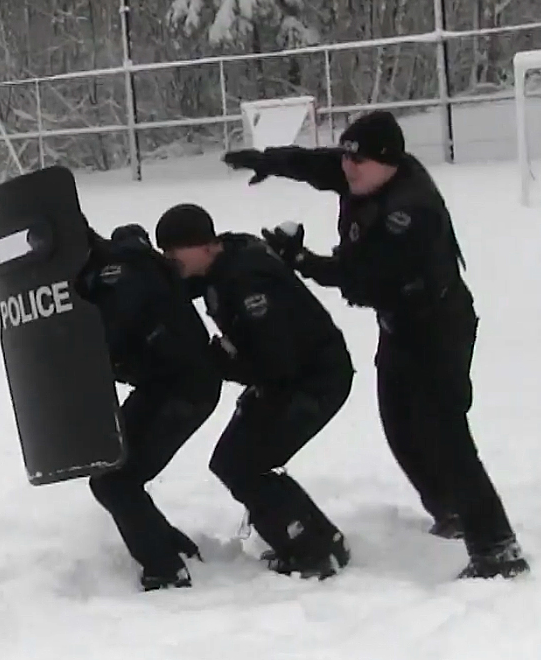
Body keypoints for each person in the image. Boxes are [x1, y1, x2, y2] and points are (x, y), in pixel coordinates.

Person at [223, 110, 529, 580]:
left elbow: (361, 281)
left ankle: (496, 548)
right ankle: (449, 509)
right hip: (400, 327)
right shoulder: (367, 175)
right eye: (348, 158)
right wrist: (270, 160)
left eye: (358, 162)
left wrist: (301, 260)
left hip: (436, 327)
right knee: (400, 425)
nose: (348, 169)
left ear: (388, 162)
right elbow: (320, 165)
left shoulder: (410, 213)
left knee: (446, 436)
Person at [156, 204, 354, 580]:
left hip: (314, 379)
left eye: (173, 252)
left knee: (243, 464)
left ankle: (312, 551)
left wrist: (217, 360)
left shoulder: (248, 281)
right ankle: (318, 540)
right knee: (234, 461)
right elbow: (181, 287)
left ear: (204, 246)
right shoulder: (221, 263)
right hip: (288, 379)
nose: (170, 261)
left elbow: (274, 359)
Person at [76, 222, 221, 592]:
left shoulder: (117, 269)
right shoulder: (111, 265)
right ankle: (171, 549)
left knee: (115, 480)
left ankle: (165, 570)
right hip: (164, 384)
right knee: (111, 476)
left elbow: (114, 331)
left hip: (183, 388)